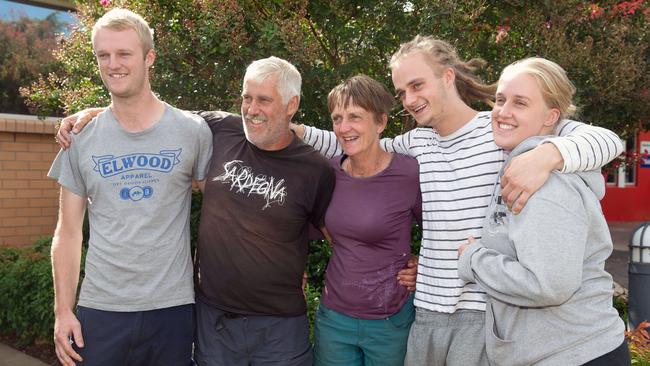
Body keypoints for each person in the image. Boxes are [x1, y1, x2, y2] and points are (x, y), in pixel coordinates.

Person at [292, 35, 624, 365]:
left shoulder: (500, 132)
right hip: (425, 311)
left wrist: (549, 154)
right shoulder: (419, 142)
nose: (409, 99)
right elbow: (360, 143)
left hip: (481, 313)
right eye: (402, 91)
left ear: (447, 77)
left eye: (417, 85)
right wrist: (297, 131)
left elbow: (606, 140)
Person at [48, 8, 212, 366]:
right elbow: (69, 231)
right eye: (103, 55)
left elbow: (222, 210)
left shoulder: (192, 131)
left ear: (149, 58)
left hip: (173, 309)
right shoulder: (80, 138)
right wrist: (63, 310)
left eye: (124, 54)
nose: (113, 64)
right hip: (101, 310)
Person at [457, 57, 629, 365]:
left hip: (574, 354)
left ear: (551, 117)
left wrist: (474, 259)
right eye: (500, 99)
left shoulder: (545, 185)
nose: (503, 112)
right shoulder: (522, 165)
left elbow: (548, 286)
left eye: (520, 103)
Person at [313, 75, 421, 366]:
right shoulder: (328, 173)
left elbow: (443, 227)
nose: (344, 127)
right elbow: (301, 220)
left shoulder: (408, 174)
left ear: (381, 122)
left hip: (390, 322)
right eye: (337, 118)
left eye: (355, 117)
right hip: (335, 318)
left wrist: (423, 264)